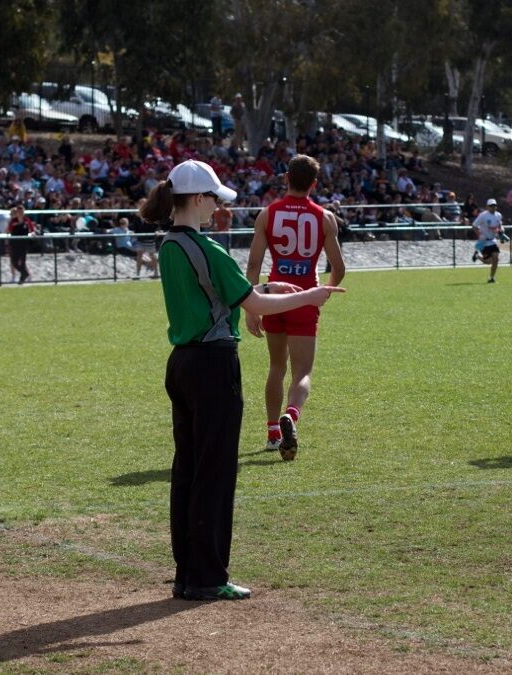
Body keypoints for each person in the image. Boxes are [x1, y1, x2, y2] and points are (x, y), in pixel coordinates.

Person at [139, 158, 344, 602]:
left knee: (189, 470)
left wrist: (271, 288)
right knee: (215, 473)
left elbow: (228, 295)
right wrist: (313, 293)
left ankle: (188, 572)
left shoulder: (170, 244)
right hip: (214, 366)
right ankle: (209, 576)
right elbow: (250, 305)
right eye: (214, 199)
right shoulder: (206, 248)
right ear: (197, 199)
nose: (218, 207)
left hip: (183, 363)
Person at [245, 154, 345, 460]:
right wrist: (322, 293)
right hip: (304, 297)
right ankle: (292, 413)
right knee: (302, 371)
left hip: (274, 297)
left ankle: (274, 431)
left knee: (276, 366)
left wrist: (251, 308)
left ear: (286, 179)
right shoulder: (324, 217)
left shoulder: (267, 214)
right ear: (314, 184)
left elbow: (253, 264)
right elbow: (338, 267)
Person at [472, 198, 505, 283]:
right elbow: (474, 226)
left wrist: (501, 230)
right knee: (487, 262)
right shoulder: (483, 215)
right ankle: (477, 256)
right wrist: (480, 235)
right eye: (491, 206)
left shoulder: (498, 215)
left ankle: (491, 277)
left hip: (492, 240)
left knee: (496, 258)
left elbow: (500, 225)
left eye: (494, 205)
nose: (493, 207)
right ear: (487, 206)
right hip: (483, 241)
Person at [6, 204, 36, 284]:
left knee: (22, 261)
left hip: (24, 243)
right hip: (14, 243)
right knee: (14, 262)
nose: (20, 213)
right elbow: (8, 230)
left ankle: (22, 279)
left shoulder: (27, 220)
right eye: (19, 212)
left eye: (22, 212)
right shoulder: (13, 221)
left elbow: (32, 229)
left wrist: (33, 233)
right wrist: (14, 224)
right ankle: (25, 273)